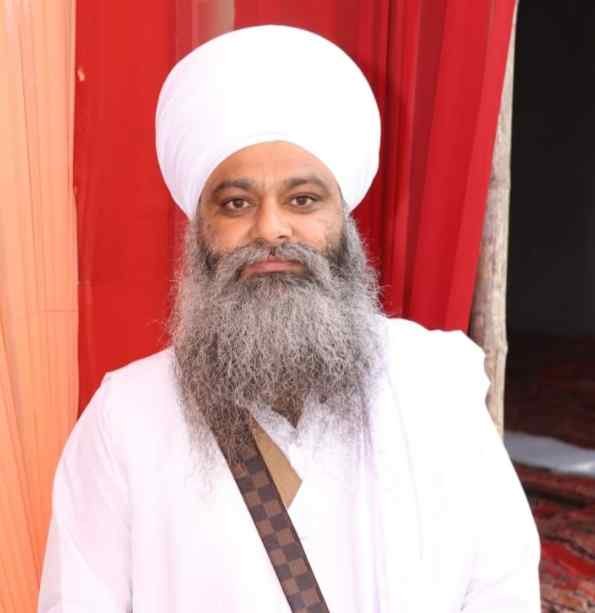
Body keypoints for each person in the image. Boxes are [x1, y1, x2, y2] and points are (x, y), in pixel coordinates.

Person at [38, 25, 540, 612]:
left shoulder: (431, 386)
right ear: (200, 233)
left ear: (343, 222)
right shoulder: (127, 417)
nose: (271, 228)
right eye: (236, 204)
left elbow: (500, 590)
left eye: (302, 200)